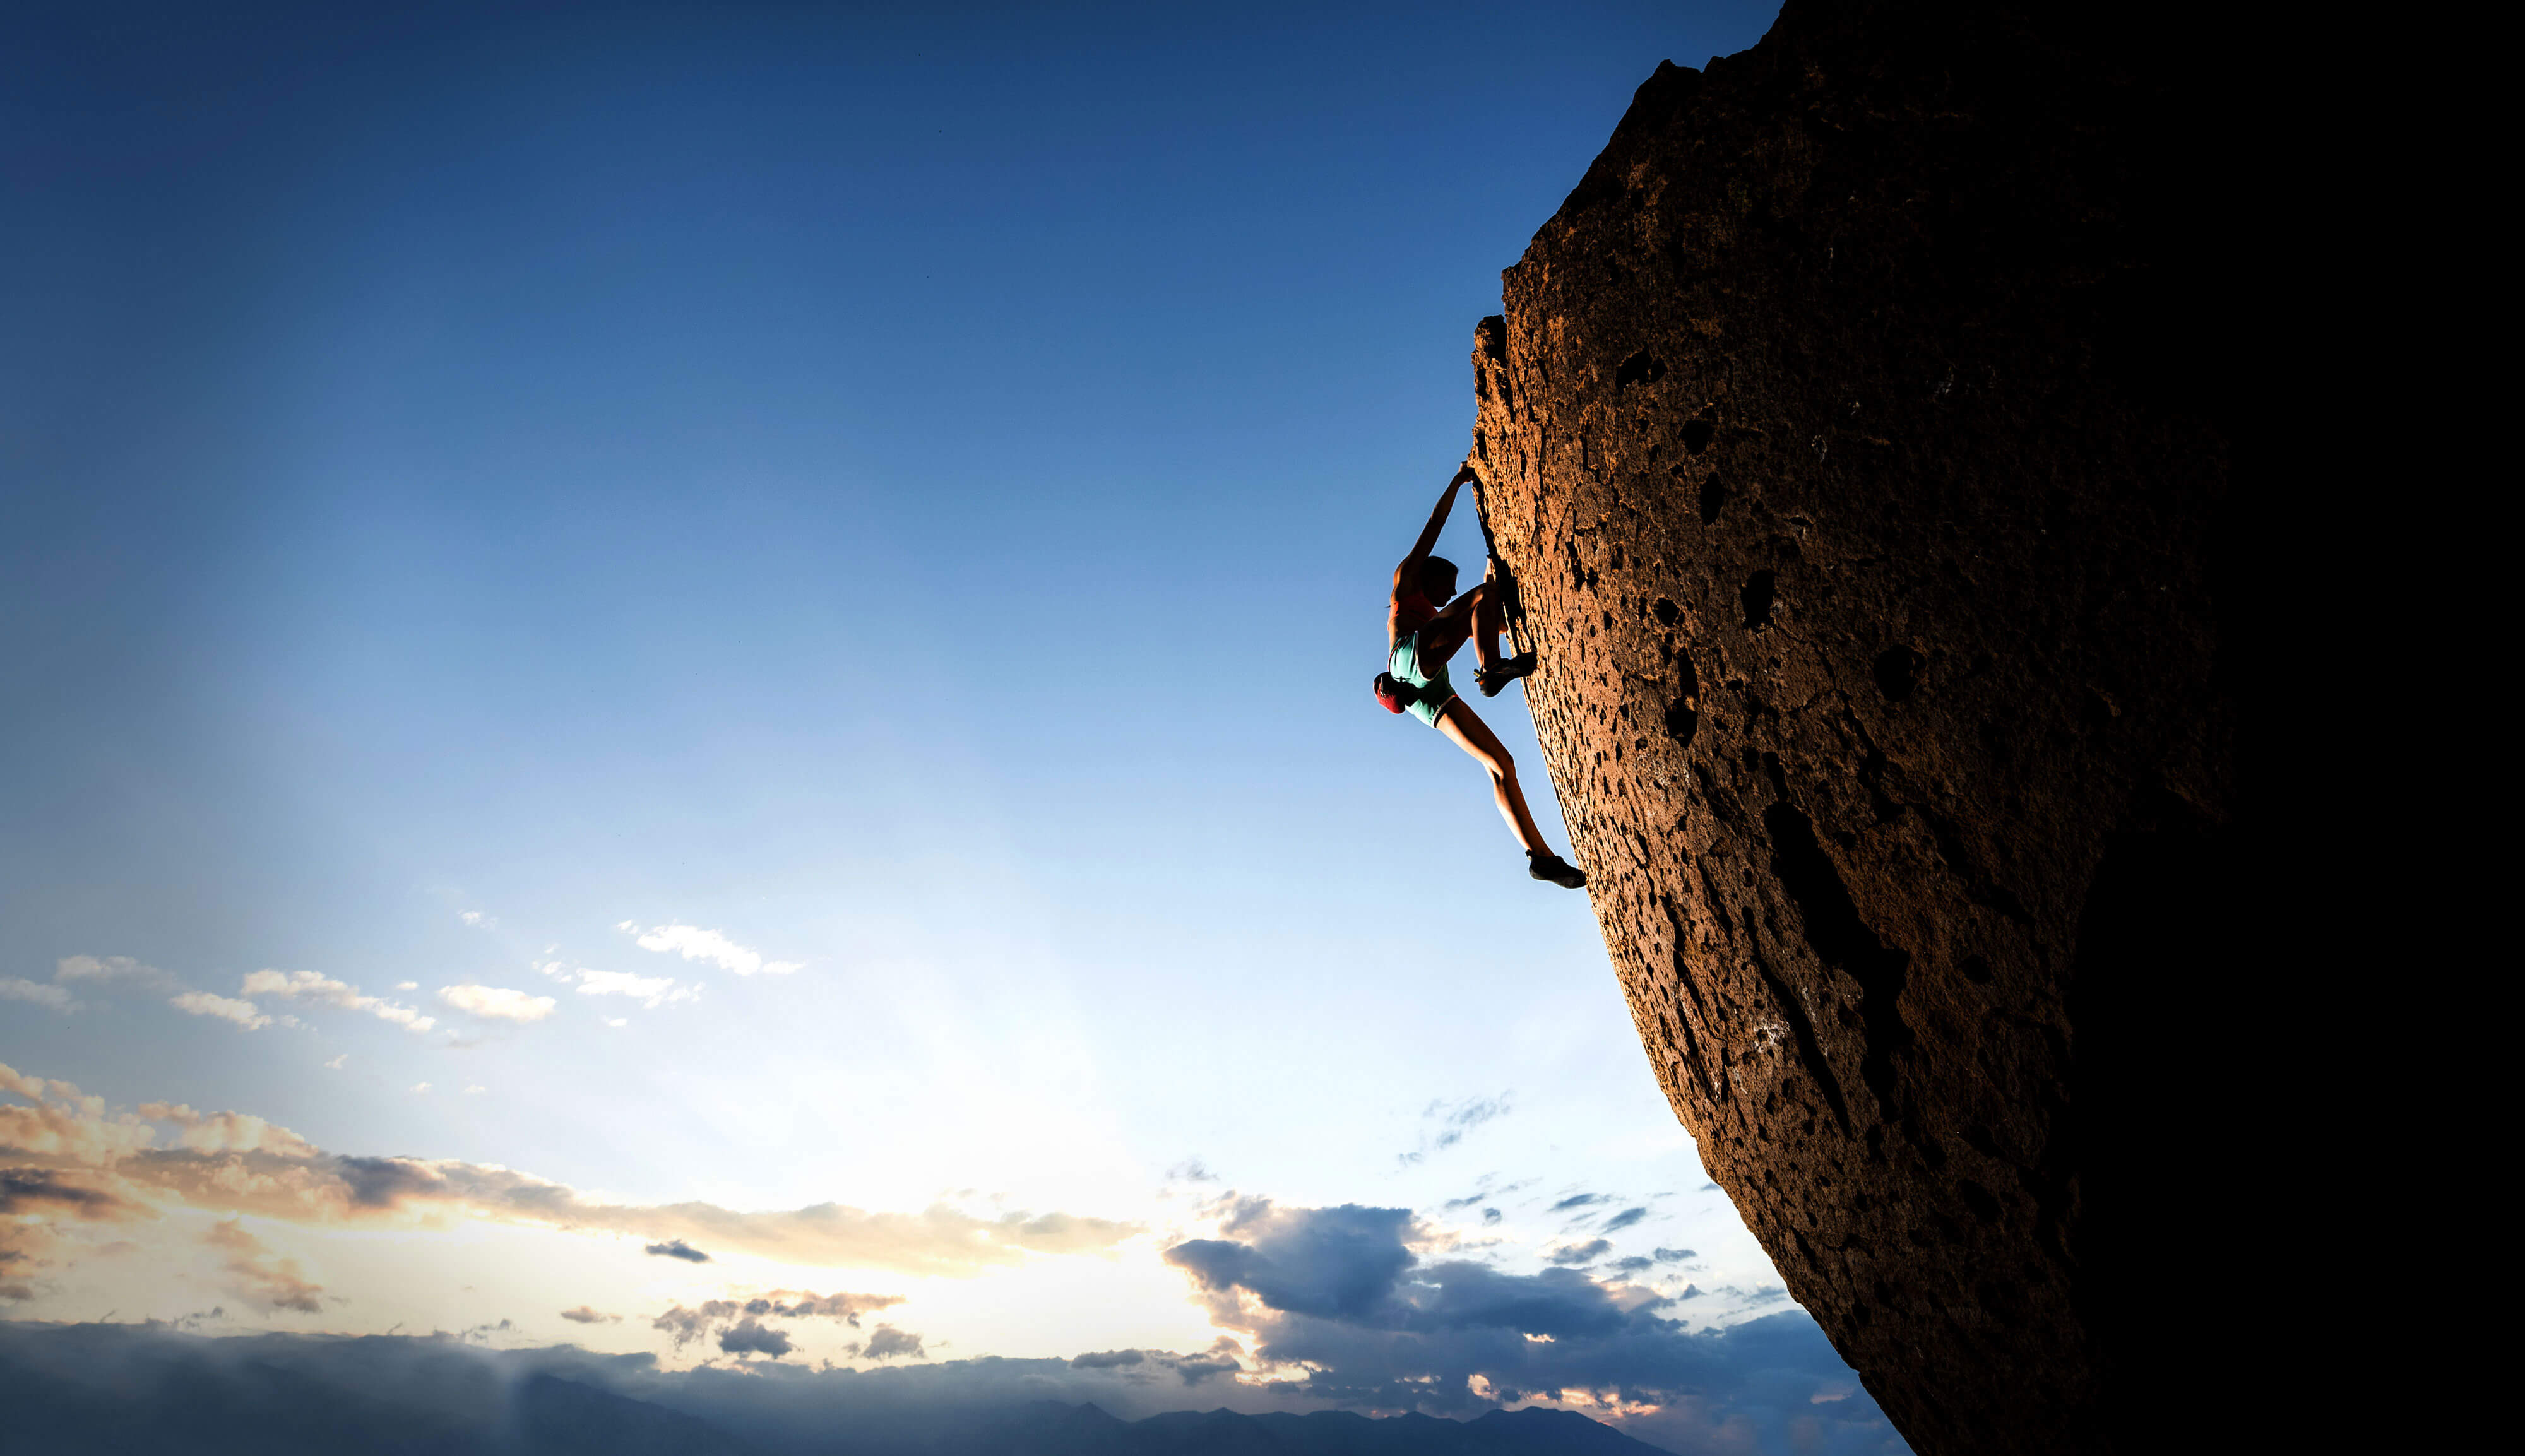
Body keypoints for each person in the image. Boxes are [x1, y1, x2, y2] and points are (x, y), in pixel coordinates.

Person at [1386, 463, 1588, 889]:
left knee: (1502, 764)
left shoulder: (1439, 616)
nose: (1448, 592)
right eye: (1448, 584)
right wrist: (1458, 483)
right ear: (1431, 575)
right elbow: (1434, 524)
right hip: (1405, 660)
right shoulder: (1406, 583)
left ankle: (1541, 857)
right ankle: (1492, 668)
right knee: (1485, 594)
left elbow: (1486, 618)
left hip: (1430, 692)